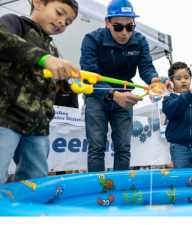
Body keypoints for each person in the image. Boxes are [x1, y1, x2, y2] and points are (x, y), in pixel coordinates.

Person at [80, 0, 172, 172]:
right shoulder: (91, 39)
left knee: (123, 148)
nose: (124, 32)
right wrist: (113, 94)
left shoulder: (140, 40)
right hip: (97, 97)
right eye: (118, 27)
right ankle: (97, 190)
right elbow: (89, 74)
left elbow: (146, 68)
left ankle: (119, 191)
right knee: (96, 147)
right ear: (107, 22)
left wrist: (154, 80)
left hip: (125, 98)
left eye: (130, 27)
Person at [0, 0, 80, 186]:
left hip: (37, 129)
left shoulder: (53, 50)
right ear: (37, 2)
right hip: (5, 119)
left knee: (37, 182)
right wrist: (44, 59)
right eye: (59, 13)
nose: (62, 23)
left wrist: (45, 121)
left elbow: (48, 91)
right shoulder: (15, 23)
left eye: (68, 22)